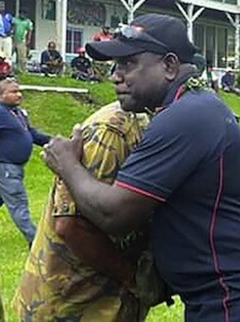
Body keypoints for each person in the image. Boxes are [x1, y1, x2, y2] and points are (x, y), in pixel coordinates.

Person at [40, 14, 240, 321]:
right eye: (115, 66)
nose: (115, 76)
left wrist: (66, 163)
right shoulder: (194, 106)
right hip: (239, 291)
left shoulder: (186, 117)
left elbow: (114, 214)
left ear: (170, 65)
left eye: (128, 63)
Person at [13, 101, 162, 321]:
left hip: (107, 299)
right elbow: (72, 226)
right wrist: (131, 277)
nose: (118, 75)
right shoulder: (112, 131)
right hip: (76, 303)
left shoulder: (150, 120)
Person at [0, 78, 50, 245]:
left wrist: (56, 141)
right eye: (13, 92)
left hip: (14, 167)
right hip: (6, 168)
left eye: (19, 91)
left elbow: (32, 134)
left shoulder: (18, 114)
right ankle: (36, 241)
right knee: (19, 204)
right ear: (1, 96)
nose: (19, 94)